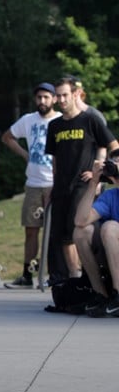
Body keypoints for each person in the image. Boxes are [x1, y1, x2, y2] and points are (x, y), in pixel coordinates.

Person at [45, 76, 118, 284]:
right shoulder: (55, 125)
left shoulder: (90, 119)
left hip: (83, 185)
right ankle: (72, 280)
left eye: (65, 95)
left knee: (78, 229)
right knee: (62, 236)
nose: (61, 100)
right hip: (61, 185)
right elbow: (55, 158)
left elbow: (113, 145)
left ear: (75, 94)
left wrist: (100, 173)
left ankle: (86, 280)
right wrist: (54, 182)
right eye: (58, 96)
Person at [1, 82, 61, 289]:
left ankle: (56, 274)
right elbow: (7, 137)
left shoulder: (61, 120)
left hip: (54, 183)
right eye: (39, 97)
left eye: (46, 97)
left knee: (55, 232)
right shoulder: (28, 120)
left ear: (54, 99)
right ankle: (28, 274)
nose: (42, 101)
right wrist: (25, 155)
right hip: (34, 183)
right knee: (31, 230)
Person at [73, 151, 119, 317]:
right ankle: (102, 295)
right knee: (81, 232)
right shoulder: (111, 196)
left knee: (110, 227)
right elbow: (80, 221)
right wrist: (93, 182)